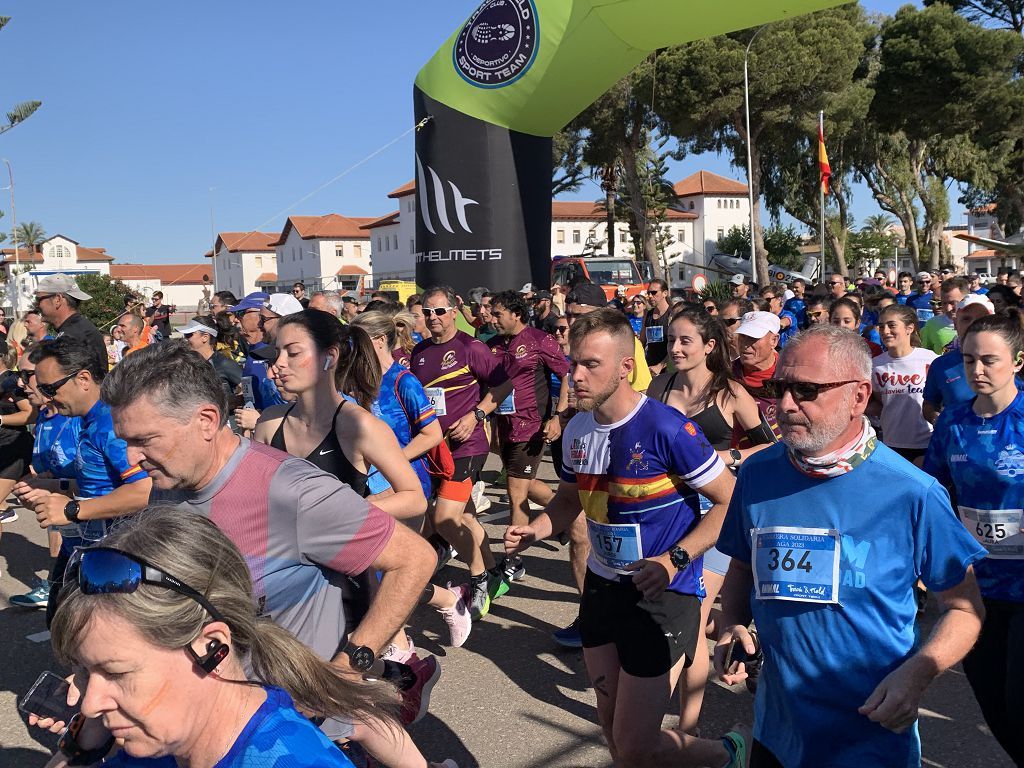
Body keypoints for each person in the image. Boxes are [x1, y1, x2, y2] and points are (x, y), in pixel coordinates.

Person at [100, 341, 454, 767]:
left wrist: (347, 668)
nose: (132, 458)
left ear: (207, 420)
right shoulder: (168, 485)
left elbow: (414, 559)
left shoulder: (291, 492)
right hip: (196, 723)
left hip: (280, 738)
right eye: (126, 441)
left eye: (144, 440)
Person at [713, 323, 986, 768]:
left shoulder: (912, 492)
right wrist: (732, 622)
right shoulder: (758, 474)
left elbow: (964, 608)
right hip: (777, 731)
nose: (784, 404)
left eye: (805, 390)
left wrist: (917, 674)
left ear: (858, 397)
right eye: (781, 387)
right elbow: (743, 565)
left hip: (871, 736)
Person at [503, 308, 746, 767]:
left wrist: (674, 560)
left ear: (624, 368)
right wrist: (534, 529)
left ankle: (727, 754)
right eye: (573, 362)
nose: (575, 375)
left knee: (634, 744)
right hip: (603, 587)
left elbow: (728, 502)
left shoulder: (666, 427)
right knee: (614, 727)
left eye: (590, 365)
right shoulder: (577, 429)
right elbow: (569, 502)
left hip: (662, 592)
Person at [39, 507, 397, 768]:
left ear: (211, 648)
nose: (89, 705)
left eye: (115, 673)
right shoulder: (164, 742)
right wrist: (82, 745)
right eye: (86, 672)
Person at [647, 307, 776, 735]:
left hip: (717, 514)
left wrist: (731, 456)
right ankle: (683, 728)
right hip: (668, 512)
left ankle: (676, 729)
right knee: (686, 618)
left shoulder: (731, 393)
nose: (676, 348)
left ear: (709, 346)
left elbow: (771, 449)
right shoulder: (659, 384)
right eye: (671, 340)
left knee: (692, 615)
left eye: (686, 340)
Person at [923, 311, 1024, 765]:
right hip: (976, 588)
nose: (977, 371)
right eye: (968, 361)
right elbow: (935, 493)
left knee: (1019, 700)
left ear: (1018, 362)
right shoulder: (954, 423)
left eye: (989, 360)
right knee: (991, 699)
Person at [352, 310, 472, 650]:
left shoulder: (404, 381)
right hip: (366, 485)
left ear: (377, 342)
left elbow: (432, 434)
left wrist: (392, 461)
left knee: (388, 570)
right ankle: (445, 603)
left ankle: (397, 647)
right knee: (377, 570)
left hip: (404, 486)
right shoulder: (355, 380)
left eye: (356, 342)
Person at [13, 338, 152, 626]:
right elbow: (101, 483)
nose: (47, 397)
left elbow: (145, 489)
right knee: (62, 626)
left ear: (84, 379)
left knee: (83, 636)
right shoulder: (90, 419)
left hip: (114, 552)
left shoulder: (110, 424)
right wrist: (53, 489)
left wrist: (71, 511)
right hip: (86, 544)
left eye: (51, 388)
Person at [411, 286, 513, 620]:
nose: (433, 318)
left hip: (469, 446)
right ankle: (496, 575)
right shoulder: (421, 352)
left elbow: (504, 385)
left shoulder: (472, 348)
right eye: (427, 312)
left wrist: (476, 415)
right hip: (436, 448)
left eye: (439, 311)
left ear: (454, 311)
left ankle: (479, 578)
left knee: (444, 518)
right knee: (466, 517)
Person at [486, 290, 570, 582]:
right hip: (504, 427)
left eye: (497, 314)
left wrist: (557, 416)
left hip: (532, 428)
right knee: (527, 483)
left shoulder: (539, 340)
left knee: (515, 491)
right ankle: (569, 519)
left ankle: (513, 559)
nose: (491, 318)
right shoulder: (493, 345)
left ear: (516, 314)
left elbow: (566, 375)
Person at [867, 303, 936, 464]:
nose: (885, 331)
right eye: (881, 326)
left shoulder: (930, 359)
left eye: (892, 325)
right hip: (892, 443)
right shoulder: (875, 365)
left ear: (909, 328)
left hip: (927, 442)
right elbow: (879, 402)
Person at [922, 294, 996, 423]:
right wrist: (939, 421)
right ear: (955, 323)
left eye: (981, 318)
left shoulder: (1011, 361)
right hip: (959, 441)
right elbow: (929, 404)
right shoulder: (941, 365)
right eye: (966, 319)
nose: (973, 324)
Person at [233, 293, 297, 432]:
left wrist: (259, 421)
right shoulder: (258, 352)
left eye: (240, 313)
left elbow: (302, 424)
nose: (235, 319)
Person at [34, 273, 107, 375]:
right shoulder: (77, 329)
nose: (37, 305)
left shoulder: (73, 335)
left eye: (39, 300)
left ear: (57, 299)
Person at [732, 311, 783, 441]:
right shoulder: (725, 375)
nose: (745, 344)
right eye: (742, 337)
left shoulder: (790, 373)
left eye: (753, 338)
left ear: (774, 340)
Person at [0, 341, 34, 527]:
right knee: (36, 499)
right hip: (3, 447)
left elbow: (30, 414)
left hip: (14, 446)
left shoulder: (12, 381)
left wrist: (1, 419)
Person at [180, 315, 243, 407]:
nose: (185, 339)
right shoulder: (187, 363)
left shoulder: (224, 364)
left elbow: (249, 391)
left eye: (189, 335)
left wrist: (225, 404)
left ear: (205, 337)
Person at [919, 277, 967, 354]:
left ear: (965, 299)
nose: (948, 308)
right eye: (944, 303)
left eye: (953, 303)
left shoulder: (977, 323)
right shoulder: (932, 324)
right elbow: (925, 355)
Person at [641, 278, 672, 375]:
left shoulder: (672, 314)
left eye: (654, 292)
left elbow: (677, 346)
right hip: (650, 368)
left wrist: (660, 365)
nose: (650, 296)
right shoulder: (648, 315)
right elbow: (642, 342)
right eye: (648, 293)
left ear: (665, 293)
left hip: (668, 368)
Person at [760, 284, 797, 348]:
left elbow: (784, 322)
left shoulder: (787, 314)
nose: (764, 303)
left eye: (768, 300)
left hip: (786, 353)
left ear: (779, 299)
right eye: (762, 301)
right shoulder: (764, 316)